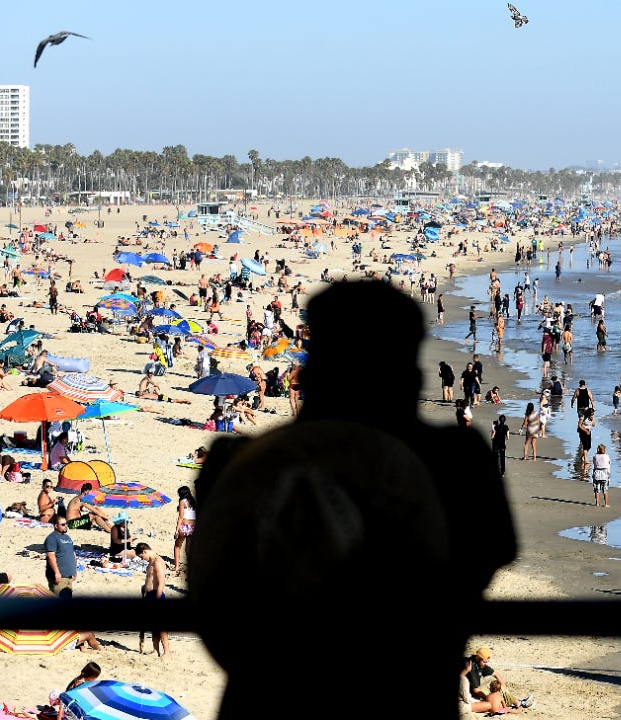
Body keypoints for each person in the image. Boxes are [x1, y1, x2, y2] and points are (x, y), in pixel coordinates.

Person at [189, 281, 515, 719]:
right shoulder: (455, 460)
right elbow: (493, 552)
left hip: (268, 695)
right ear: (406, 369)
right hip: (408, 692)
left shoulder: (238, 461)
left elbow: (215, 596)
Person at [134, 542, 171, 657]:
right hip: (149, 596)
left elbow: (161, 583)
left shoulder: (158, 562)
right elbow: (150, 579)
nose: (142, 559)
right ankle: (156, 650)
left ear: (145, 551)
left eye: (141, 556)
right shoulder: (151, 562)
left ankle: (167, 652)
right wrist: (145, 588)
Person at [44, 515, 76, 598]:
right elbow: (51, 556)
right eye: (63, 524)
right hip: (59, 576)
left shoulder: (68, 537)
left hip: (69, 576)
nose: (66, 526)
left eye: (66, 524)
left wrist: (74, 570)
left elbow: (72, 554)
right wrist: (57, 572)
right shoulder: (52, 538)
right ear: (56, 526)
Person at [173, 485, 196, 573]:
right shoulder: (193, 501)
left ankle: (176, 567)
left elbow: (181, 517)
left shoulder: (182, 501)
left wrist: (176, 530)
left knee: (177, 546)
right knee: (188, 548)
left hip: (185, 526)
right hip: (193, 527)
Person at [591, 443, 611, 508]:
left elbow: (594, 464)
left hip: (597, 474)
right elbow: (609, 464)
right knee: (605, 490)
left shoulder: (595, 456)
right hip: (605, 474)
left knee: (597, 490)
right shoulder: (607, 456)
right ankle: (606, 504)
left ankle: (597, 503)